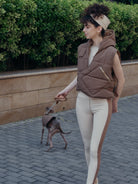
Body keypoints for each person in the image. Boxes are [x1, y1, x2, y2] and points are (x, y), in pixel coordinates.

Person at [55, 3, 125, 184]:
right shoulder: (82, 49)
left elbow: (122, 79)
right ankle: (94, 180)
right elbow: (82, 75)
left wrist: (115, 101)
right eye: (84, 26)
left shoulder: (111, 52)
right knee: (87, 146)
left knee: (95, 149)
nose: (84, 30)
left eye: (87, 27)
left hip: (102, 104)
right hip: (82, 102)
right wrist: (66, 90)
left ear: (99, 28)